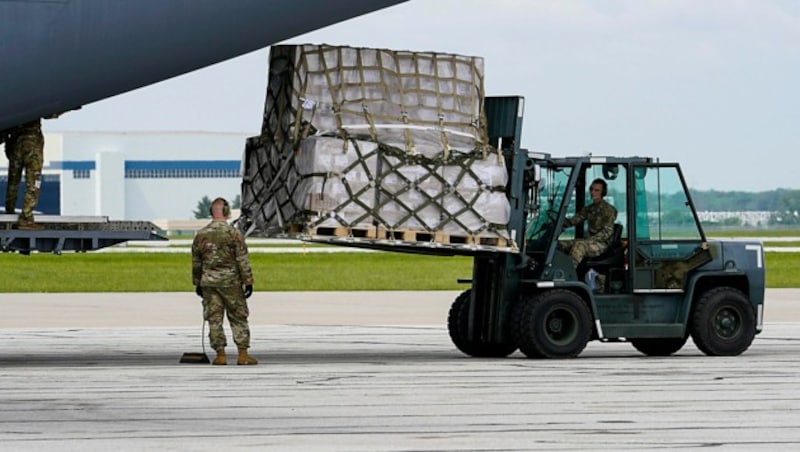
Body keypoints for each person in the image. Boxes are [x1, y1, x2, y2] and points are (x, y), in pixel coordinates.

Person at [191, 197, 258, 365]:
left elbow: (196, 262)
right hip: (231, 283)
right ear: (227, 212)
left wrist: (197, 282)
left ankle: (220, 355)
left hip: (209, 283)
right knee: (238, 317)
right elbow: (242, 260)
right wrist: (248, 281)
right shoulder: (234, 234)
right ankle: (242, 355)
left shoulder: (201, 235)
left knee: (214, 319)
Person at [558, 178, 618, 269]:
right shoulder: (589, 209)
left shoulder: (609, 210)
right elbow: (575, 220)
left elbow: (607, 233)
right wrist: (560, 222)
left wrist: (590, 240)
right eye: (591, 189)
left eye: (596, 190)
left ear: (603, 192)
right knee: (560, 244)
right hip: (590, 241)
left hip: (602, 244)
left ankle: (567, 274)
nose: (593, 192)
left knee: (579, 245)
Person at [4, 119, 44, 230]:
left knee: (13, 182)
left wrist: (8, 146)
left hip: (16, 146)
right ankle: (26, 218)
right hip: (32, 147)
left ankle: (9, 214)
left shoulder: (13, 107)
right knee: (33, 184)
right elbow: (51, 113)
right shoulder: (35, 104)